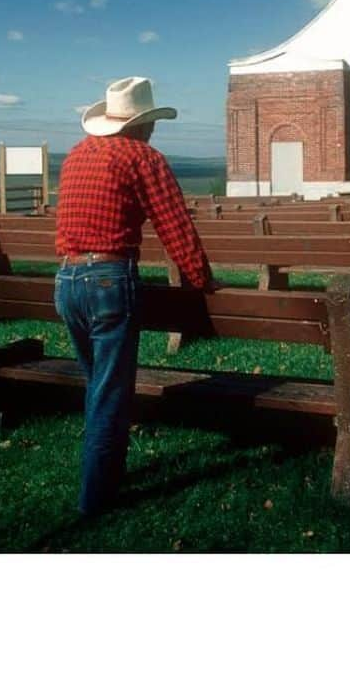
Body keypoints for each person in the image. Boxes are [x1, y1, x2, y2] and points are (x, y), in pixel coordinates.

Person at [54, 76, 214, 516]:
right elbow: (175, 225)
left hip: (66, 280)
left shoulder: (75, 156)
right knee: (109, 394)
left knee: (98, 385)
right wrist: (202, 279)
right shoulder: (143, 158)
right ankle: (96, 501)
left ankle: (104, 471)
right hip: (109, 280)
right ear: (143, 124)